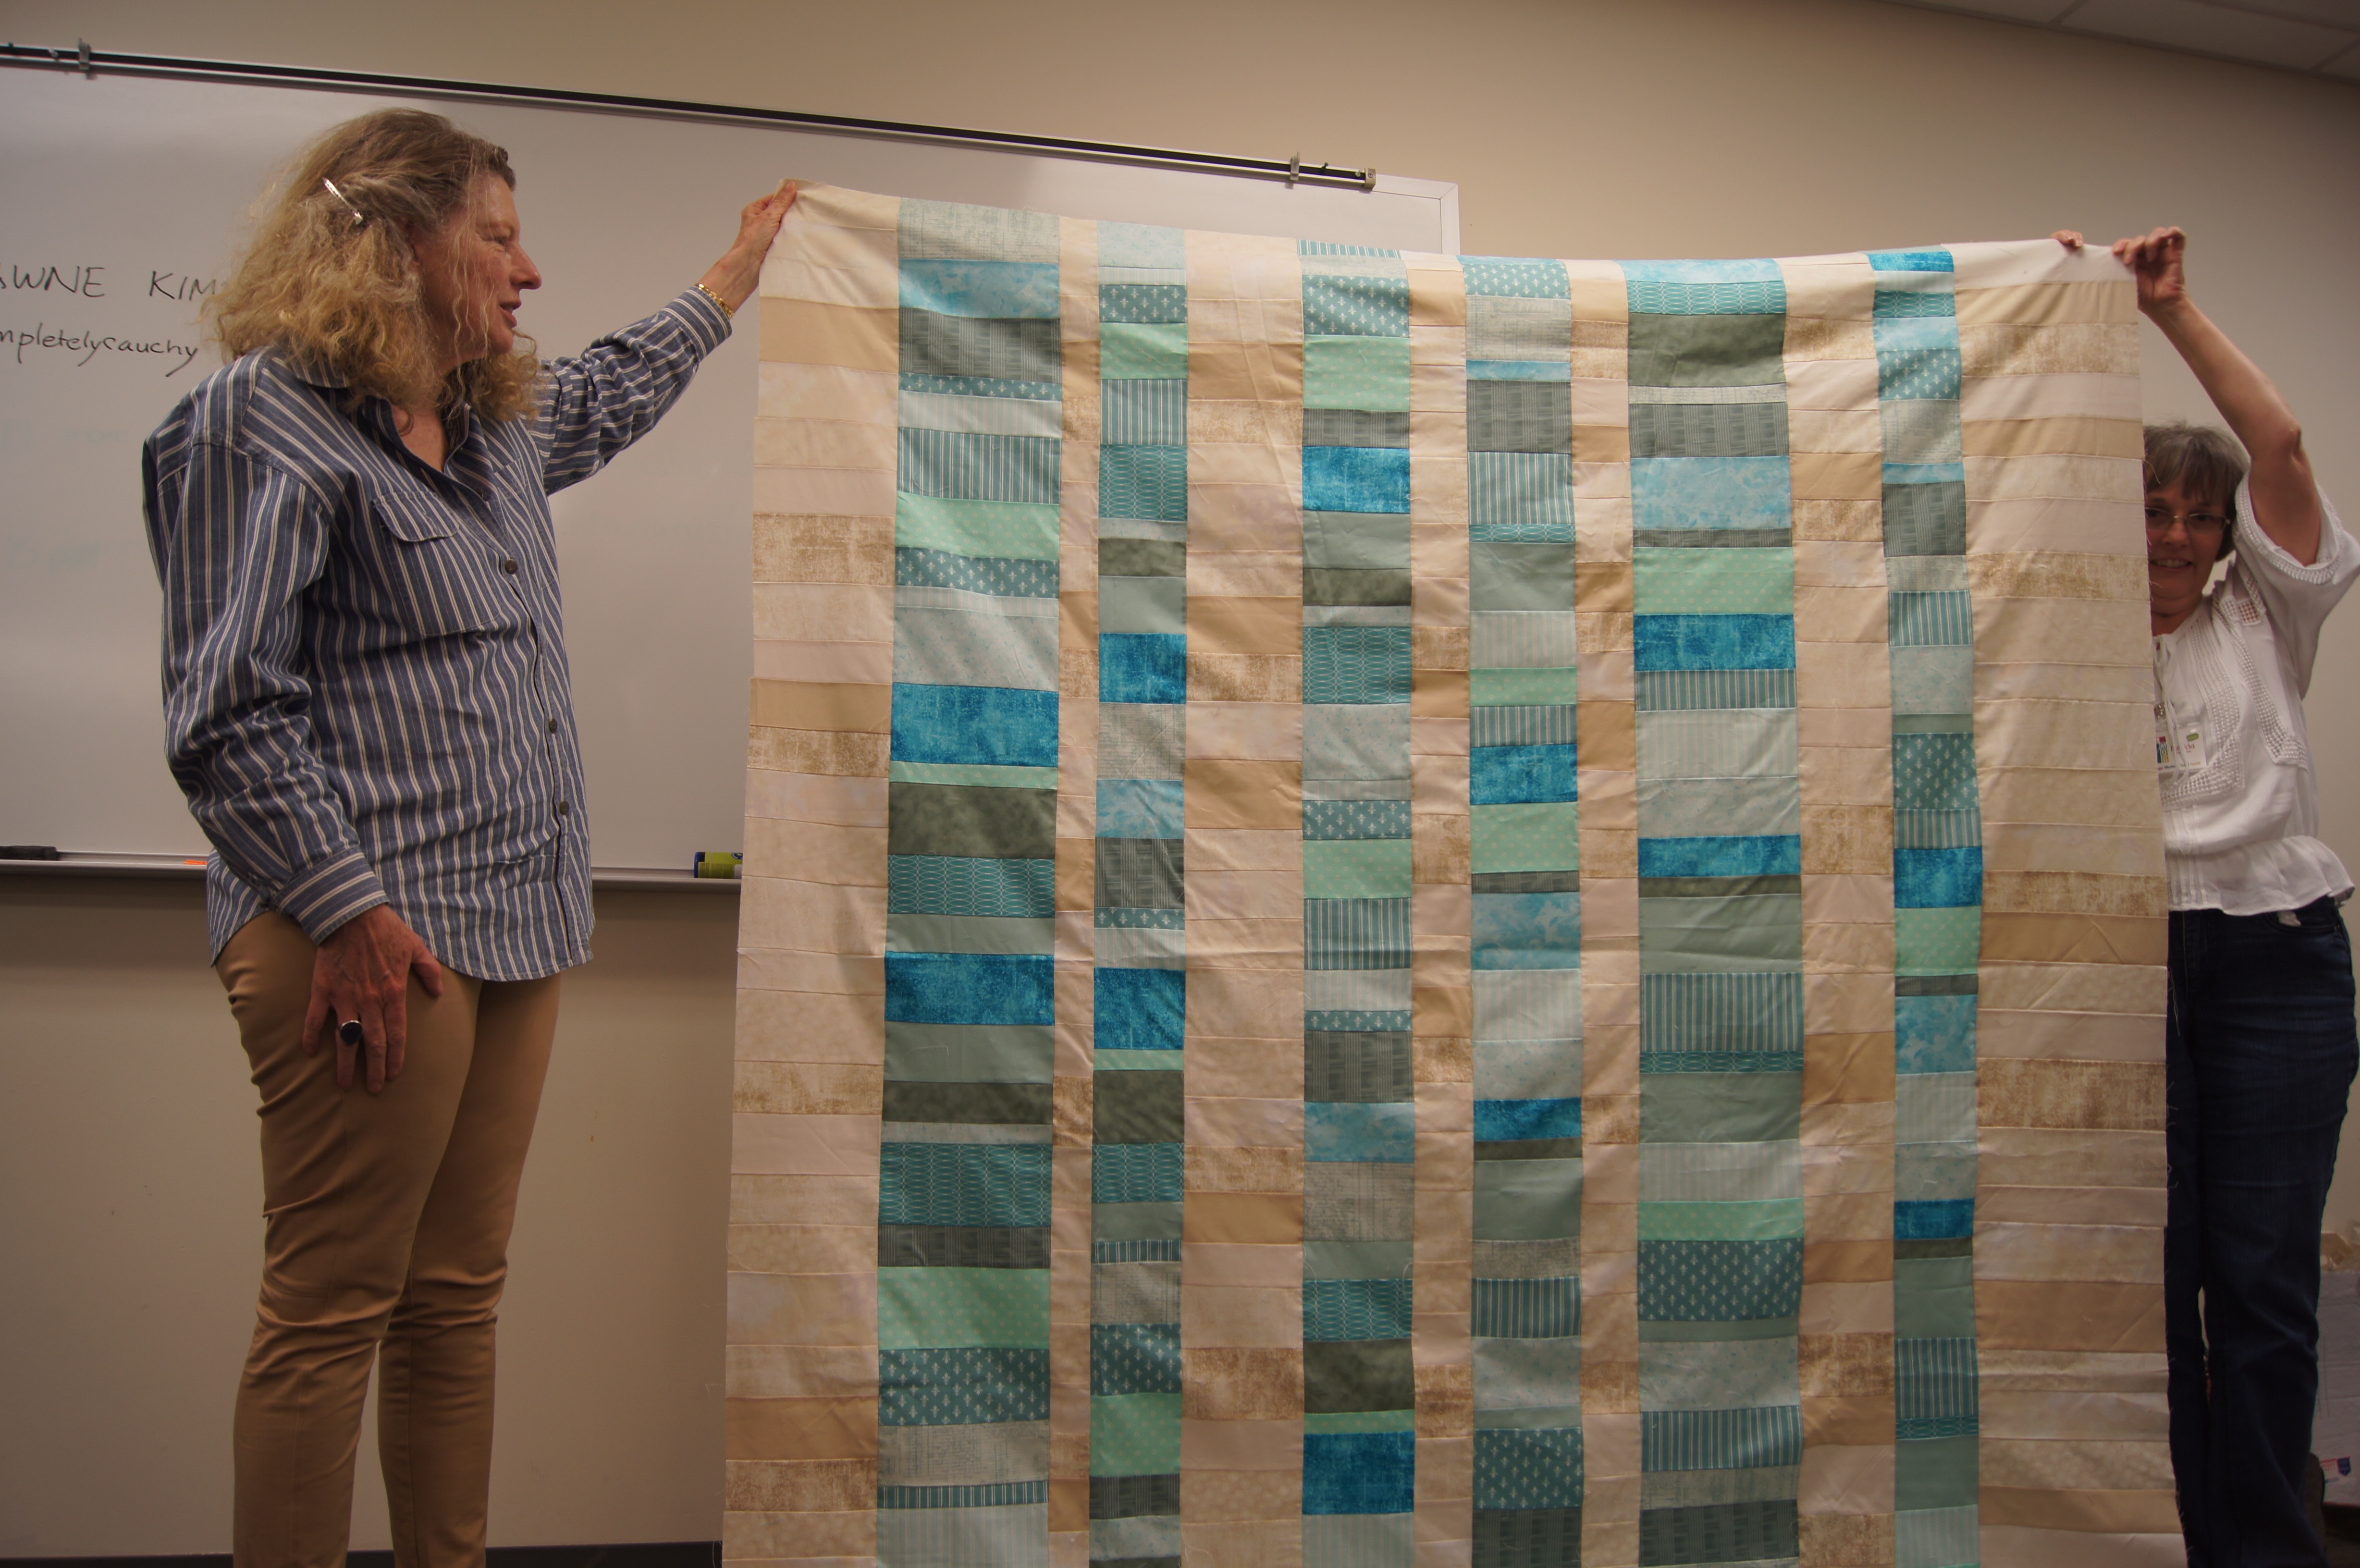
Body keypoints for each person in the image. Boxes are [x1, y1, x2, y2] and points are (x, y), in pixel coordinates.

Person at [141, 109, 794, 1568]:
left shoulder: (488, 419)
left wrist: (734, 278)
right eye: (496, 238)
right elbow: (227, 708)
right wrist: (345, 911)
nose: (528, 269)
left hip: (517, 916)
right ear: (395, 245)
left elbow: (609, 389)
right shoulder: (260, 421)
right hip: (362, 931)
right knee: (331, 1311)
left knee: (454, 1297)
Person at [2057, 225, 2359, 1563]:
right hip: (2122, 966)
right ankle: (2174, 1539)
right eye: (2150, 512)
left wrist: (2167, 312)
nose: (2175, 536)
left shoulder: (2264, 616)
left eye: (2197, 516)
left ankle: (2272, 1549)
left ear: (2227, 537)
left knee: (2265, 1286)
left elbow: (2279, 445)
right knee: (2150, 1285)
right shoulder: (2059, 621)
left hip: (2277, 962)